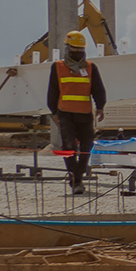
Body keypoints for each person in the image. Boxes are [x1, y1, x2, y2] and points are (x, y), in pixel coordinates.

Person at [46, 31, 107, 195]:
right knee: (69, 147)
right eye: (74, 48)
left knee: (87, 146)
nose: (78, 52)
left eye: (80, 49)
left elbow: (98, 89)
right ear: (68, 48)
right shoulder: (58, 67)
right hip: (66, 113)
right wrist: (54, 113)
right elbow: (53, 91)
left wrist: (100, 106)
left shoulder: (90, 67)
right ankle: (76, 181)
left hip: (85, 114)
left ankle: (78, 175)